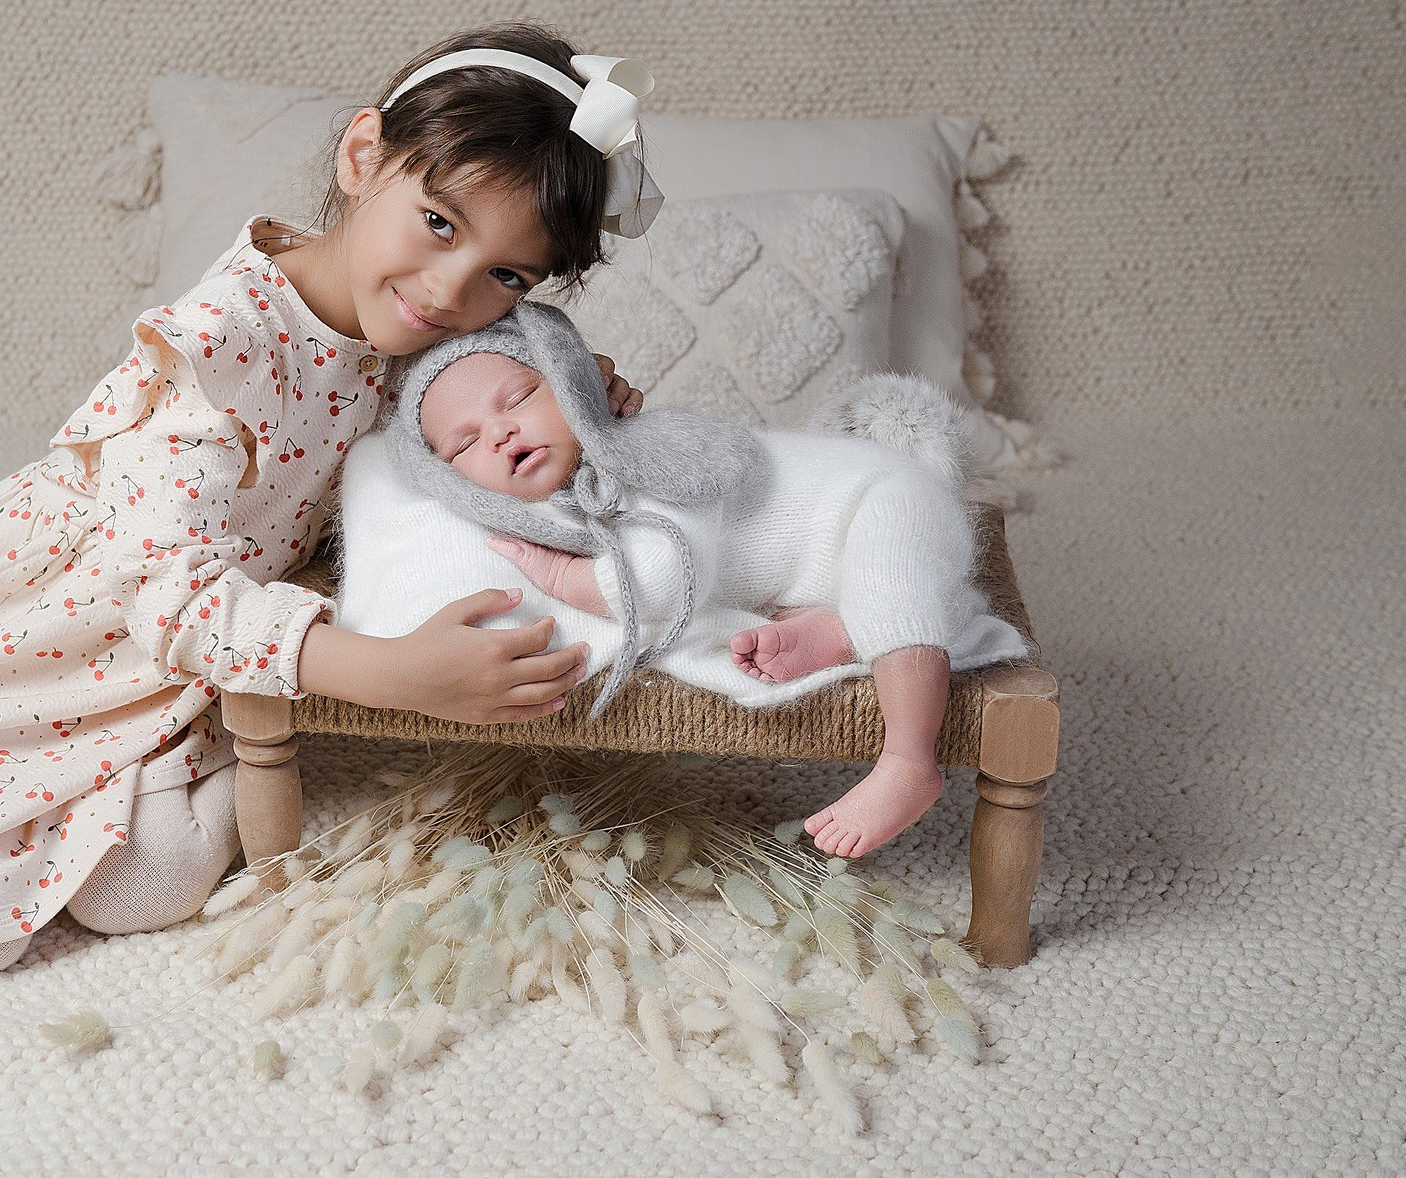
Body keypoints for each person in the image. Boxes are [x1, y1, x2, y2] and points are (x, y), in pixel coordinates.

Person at [0, 23, 654, 975]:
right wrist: (391, 673)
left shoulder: (435, 339)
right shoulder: (226, 340)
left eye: (506, 274)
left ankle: (142, 771)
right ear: (365, 155)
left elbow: (491, 412)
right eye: (439, 222)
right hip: (80, 617)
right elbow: (159, 586)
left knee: (154, 883)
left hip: (208, 643)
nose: (449, 288)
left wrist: (572, 395)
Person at [384, 301, 1033, 858]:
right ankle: (839, 627)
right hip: (823, 570)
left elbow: (665, 579)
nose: (498, 432)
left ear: (571, 385)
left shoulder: (650, 454)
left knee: (895, 581)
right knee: (879, 594)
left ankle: (907, 760)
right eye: (463, 444)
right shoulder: (567, 503)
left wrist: (561, 573)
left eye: (519, 397)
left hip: (884, 496)